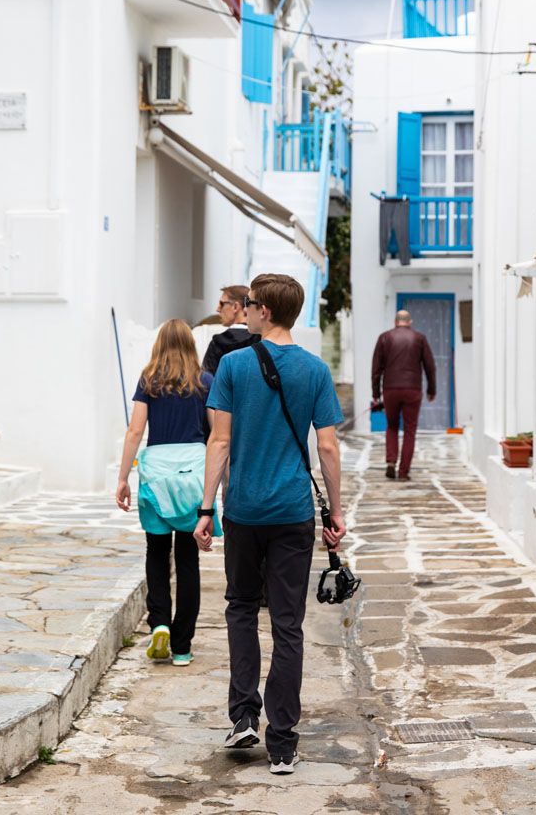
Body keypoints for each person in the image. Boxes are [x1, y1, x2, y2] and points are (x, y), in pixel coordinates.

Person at [193, 273, 345, 776]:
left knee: (240, 608)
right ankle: (282, 741)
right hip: (292, 512)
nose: (245, 311)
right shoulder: (315, 370)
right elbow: (326, 446)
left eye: (251, 304)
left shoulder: (234, 366)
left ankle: (242, 717)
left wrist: (205, 508)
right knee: (287, 624)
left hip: (243, 511)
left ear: (263, 312)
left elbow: (220, 443)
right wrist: (336, 511)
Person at [116, 319, 221, 666]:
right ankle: (182, 645)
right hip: (192, 473)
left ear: (159, 344)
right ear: (191, 344)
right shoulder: (205, 381)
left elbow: (135, 430)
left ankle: (159, 621)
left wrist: (122, 478)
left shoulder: (149, 379)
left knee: (156, 552)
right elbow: (215, 433)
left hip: (157, 474)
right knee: (188, 560)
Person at [371, 310, 436, 480]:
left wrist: (376, 393)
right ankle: (403, 471)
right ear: (410, 321)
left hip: (390, 388)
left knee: (391, 426)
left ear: (395, 321)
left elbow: (376, 369)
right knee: (409, 430)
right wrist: (431, 390)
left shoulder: (384, 337)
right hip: (412, 389)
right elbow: (430, 366)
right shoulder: (419, 338)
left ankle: (391, 462)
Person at [202, 285, 260, 375]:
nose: (217, 309)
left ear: (235, 307)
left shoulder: (217, 344)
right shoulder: (262, 340)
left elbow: (208, 381)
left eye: (222, 304)